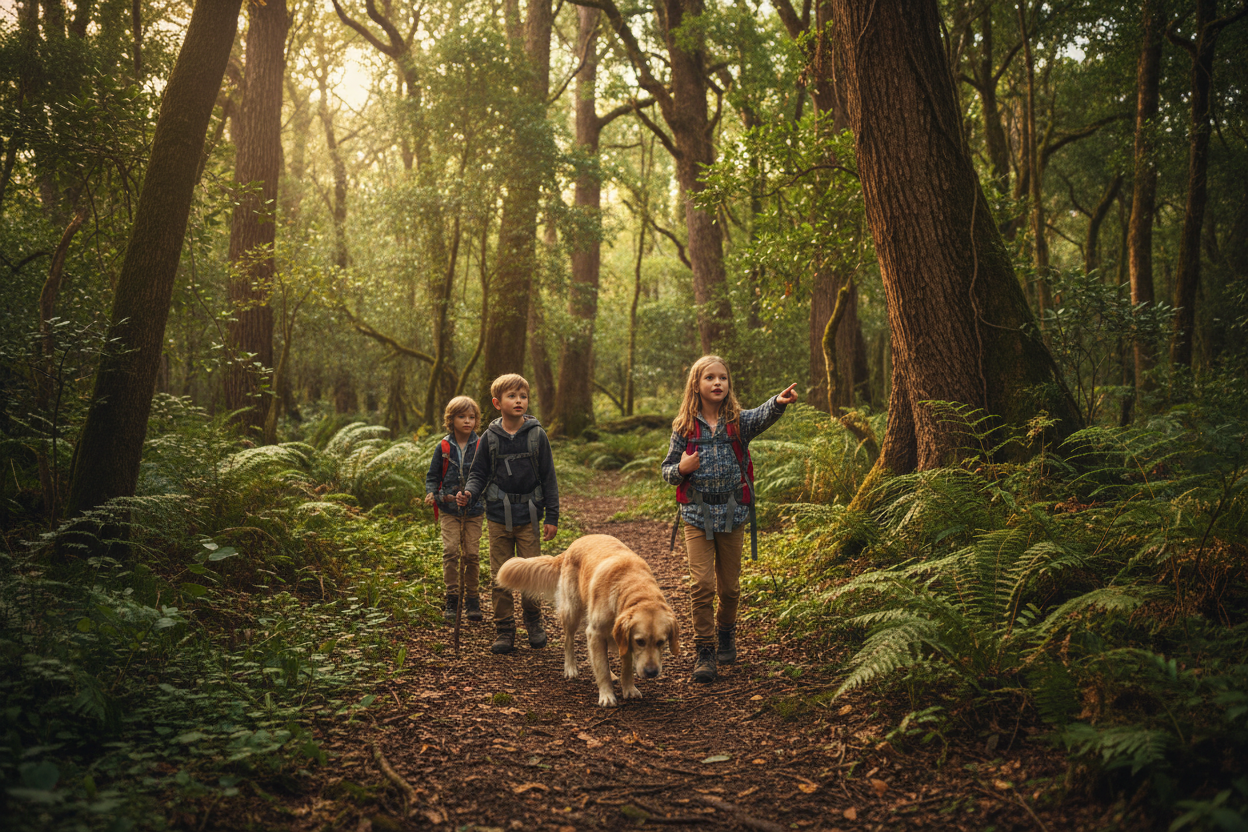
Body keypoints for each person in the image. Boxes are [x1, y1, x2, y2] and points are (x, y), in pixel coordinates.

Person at [660, 355, 798, 683]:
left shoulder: (738, 422)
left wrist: (778, 402)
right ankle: (705, 650)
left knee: (730, 589)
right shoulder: (684, 427)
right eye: (710, 377)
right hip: (697, 515)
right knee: (701, 585)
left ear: (728, 384)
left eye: (722, 377)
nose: (717, 383)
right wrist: (681, 468)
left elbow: (761, 414)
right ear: (696, 385)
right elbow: (666, 470)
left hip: (734, 514)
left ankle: (725, 633)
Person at [456, 374, 559, 655]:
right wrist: (469, 493)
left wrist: (552, 517)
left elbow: (549, 478)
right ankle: (504, 628)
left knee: (531, 573)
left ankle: (534, 622)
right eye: (512, 396)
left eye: (523, 396)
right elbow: (478, 473)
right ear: (497, 403)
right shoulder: (489, 438)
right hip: (498, 516)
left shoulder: (537, 436)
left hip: (530, 516)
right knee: (501, 574)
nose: (518, 401)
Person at [424, 396, 486, 625]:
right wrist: (432, 492)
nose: (467, 421)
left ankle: (472, 599)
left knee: (471, 554)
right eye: (462, 416)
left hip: (474, 510)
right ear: (451, 419)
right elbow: (433, 475)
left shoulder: (481, 445)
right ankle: (452, 597)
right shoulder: (443, 446)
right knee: (450, 551)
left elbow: (486, 475)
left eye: (471, 417)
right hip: (448, 508)